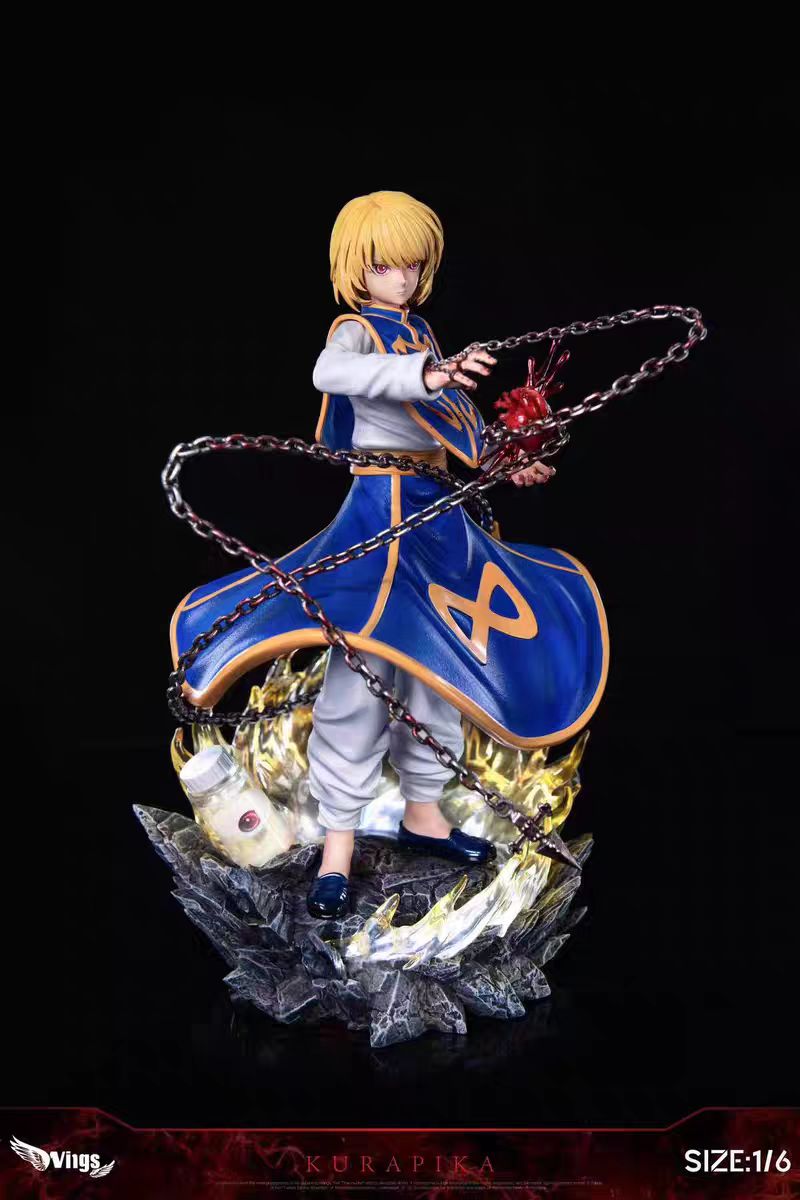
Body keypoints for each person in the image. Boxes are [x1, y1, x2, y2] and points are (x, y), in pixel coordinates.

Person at [169, 191, 609, 922]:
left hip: (436, 519)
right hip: (378, 517)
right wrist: (421, 376)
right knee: (357, 677)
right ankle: (337, 847)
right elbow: (330, 374)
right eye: (384, 265)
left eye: (411, 265)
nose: (400, 278)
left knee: (440, 674)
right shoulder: (355, 331)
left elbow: (451, 425)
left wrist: (508, 460)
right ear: (357, 269)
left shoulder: (421, 332)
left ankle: (425, 816)